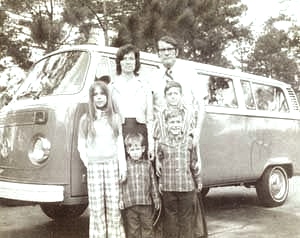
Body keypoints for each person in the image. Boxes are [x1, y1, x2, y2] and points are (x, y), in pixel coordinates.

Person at [77, 80, 127, 238]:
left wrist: (122, 167)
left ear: (107, 96)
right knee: (97, 207)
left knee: (113, 206)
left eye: (102, 94)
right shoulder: (86, 120)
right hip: (94, 168)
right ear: (91, 99)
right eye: (95, 95)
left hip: (112, 165)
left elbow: (120, 144)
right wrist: (89, 162)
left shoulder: (115, 118)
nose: (99, 97)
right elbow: (81, 145)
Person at [155, 109, 203, 238]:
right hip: (169, 188)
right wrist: (160, 183)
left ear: (182, 123)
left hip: (186, 187)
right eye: (172, 122)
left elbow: (193, 163)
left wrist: (198, 181)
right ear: (166, 124)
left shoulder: (188, 141)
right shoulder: (162, 143)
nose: (175, 125)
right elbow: (160, 165)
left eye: (178, 122)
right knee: (171, 219)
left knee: (186, 219)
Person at [152, 35, 205, 147]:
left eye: (170, 49)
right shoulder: (154, 77)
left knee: (190, 163)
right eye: (162, 50)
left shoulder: (189, 73)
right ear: (158, 54)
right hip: (163, 137)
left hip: (186, 133)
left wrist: (197, 131)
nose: (166, 53)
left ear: (176, 52)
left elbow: (201, 104)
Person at [111, 44, 154, 160]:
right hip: (121, 131)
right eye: (124, 59)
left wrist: (151, 144)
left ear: (136, 62)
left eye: (131, 59)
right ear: (119, 62)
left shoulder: (144, 86)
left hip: (141, 131)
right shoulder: (112, 87)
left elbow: (150, 118)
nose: (128, 62)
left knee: (141, 171)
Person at [120, 132, 161, 238]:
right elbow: (120, 185)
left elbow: (153, 184)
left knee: (148, 227)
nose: (135, 152)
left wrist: (156, 199)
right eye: (132, 150)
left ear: (143, 149)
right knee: (133, 230)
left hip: (145, 204)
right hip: (130, 204)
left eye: (137, 149)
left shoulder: (147, 165)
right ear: (127, 151)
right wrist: (120, 199)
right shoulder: (125, 167)